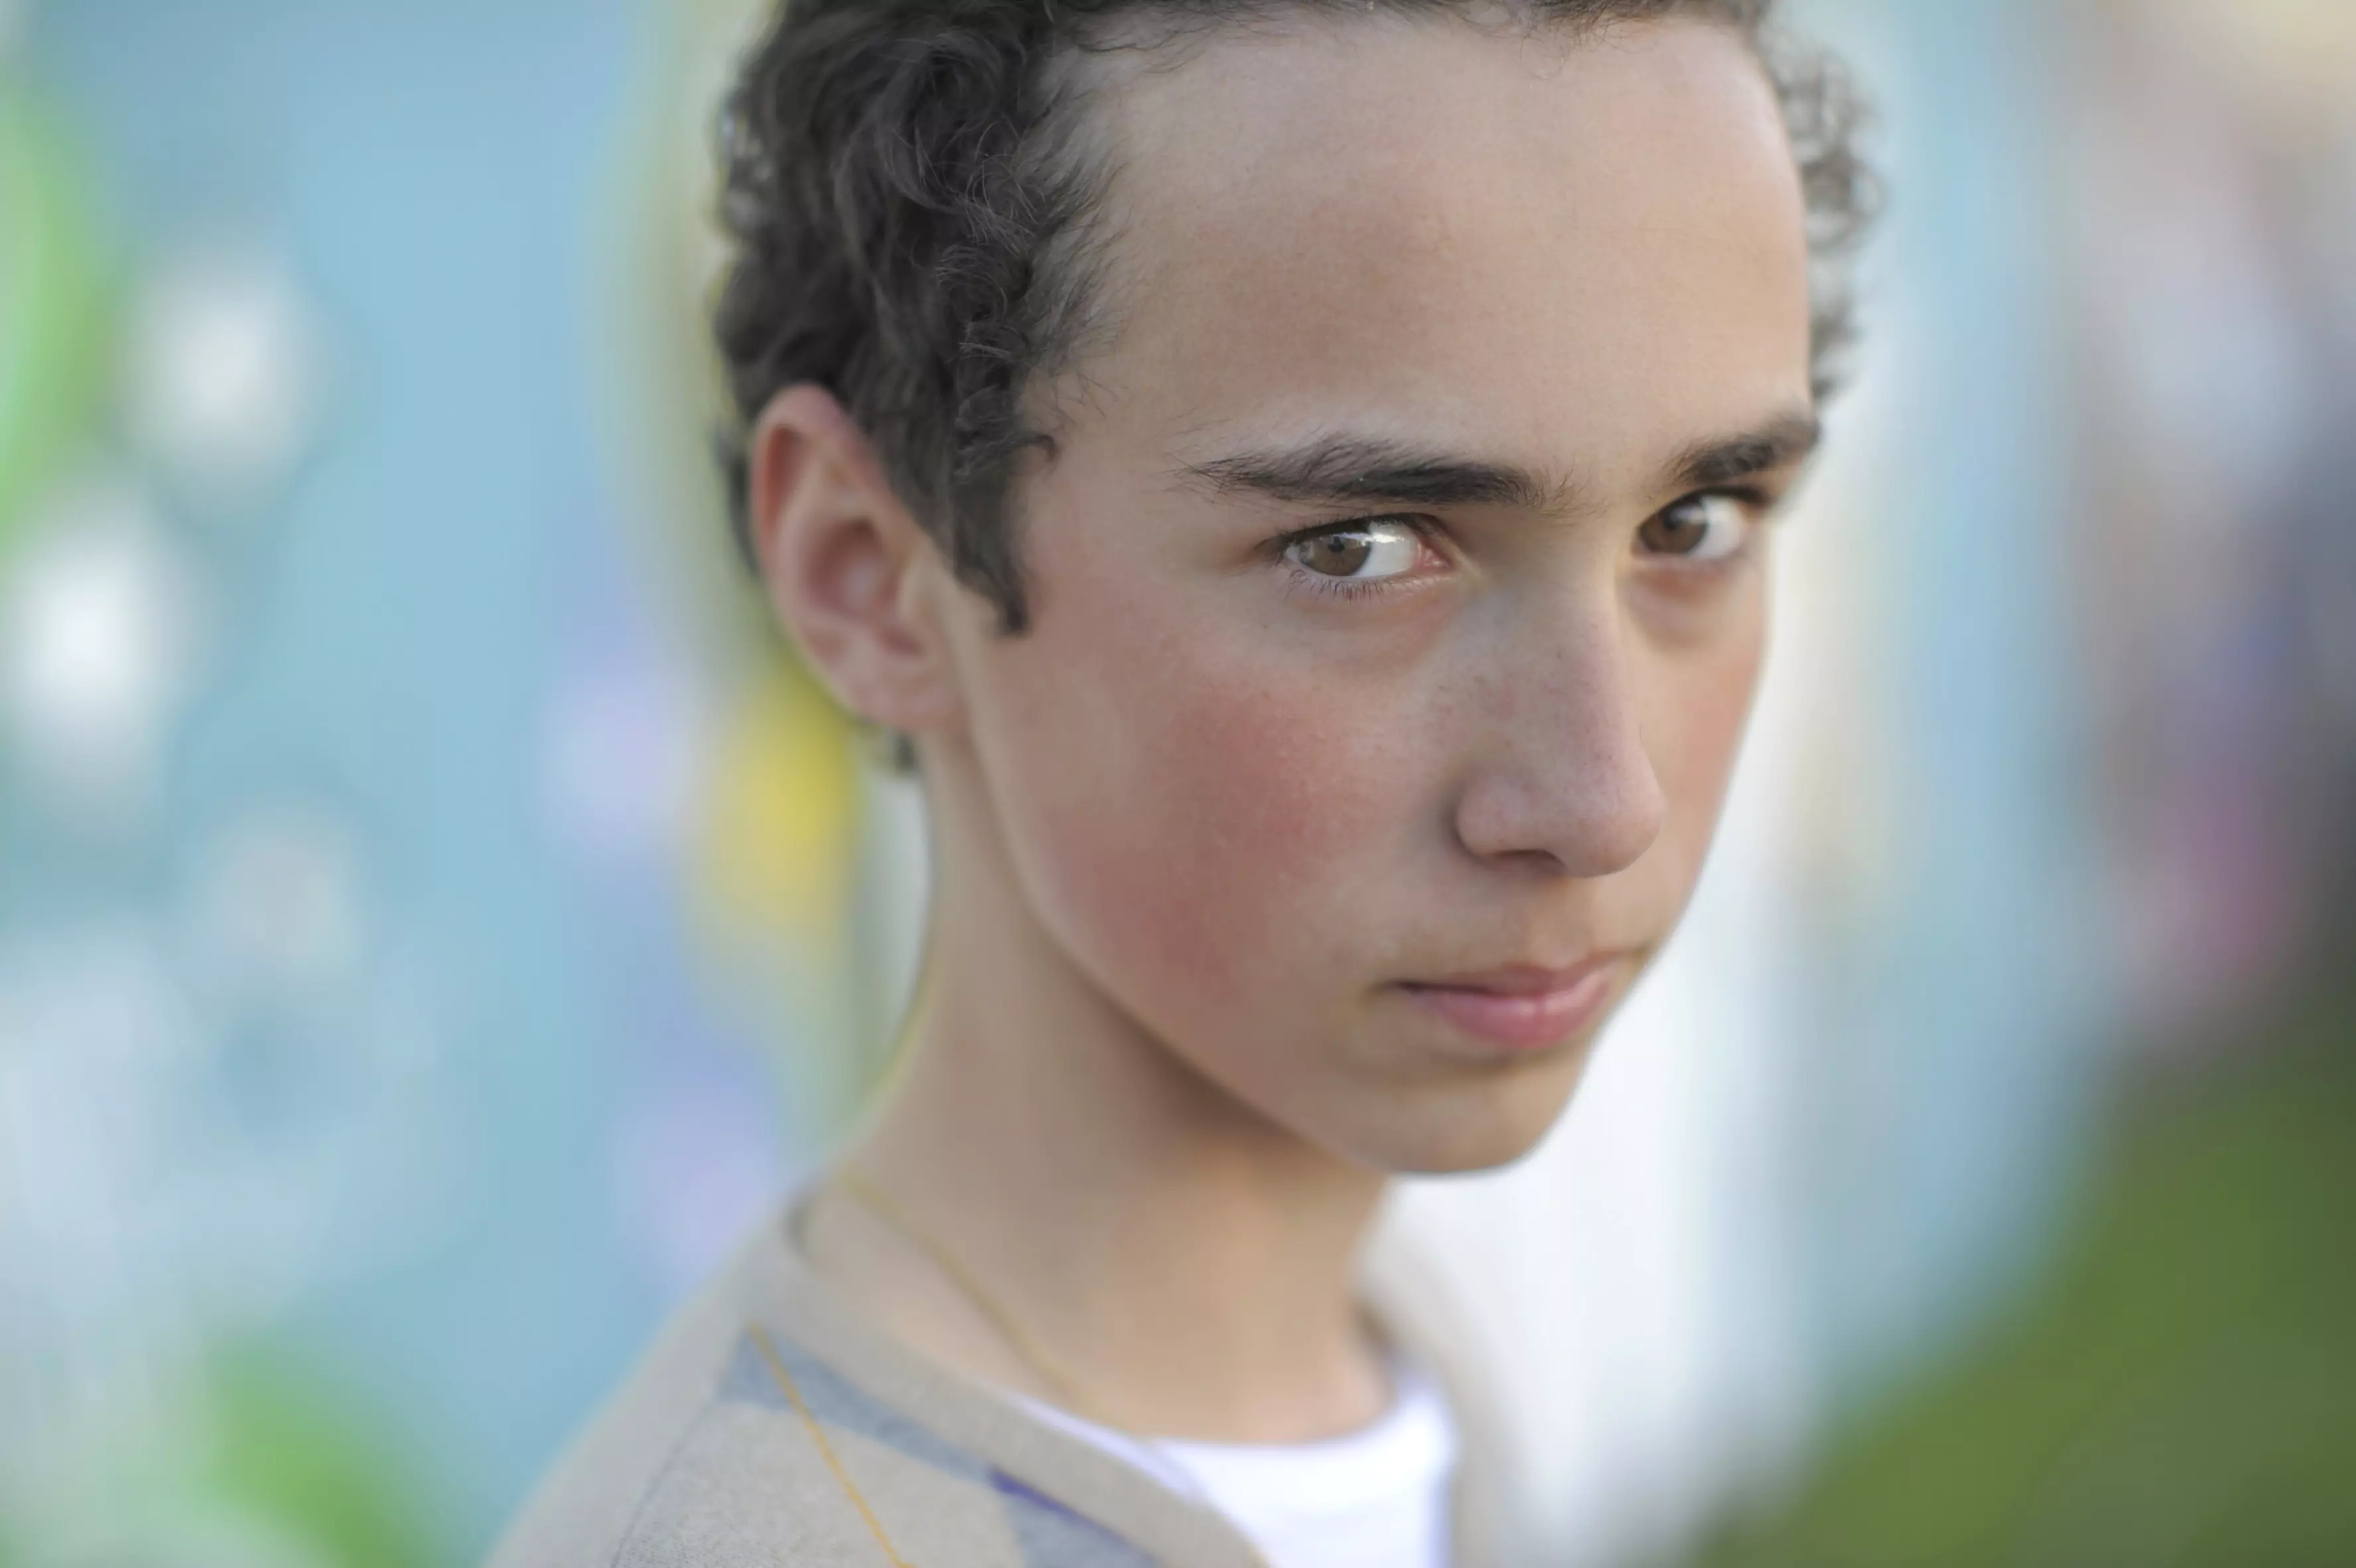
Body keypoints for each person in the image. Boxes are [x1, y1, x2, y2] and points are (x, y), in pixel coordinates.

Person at [490, 2, 1872, 1563]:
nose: (1605, 803)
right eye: (1358, 550)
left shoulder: (1386, 1363)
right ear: (873, 579)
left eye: (1697, 523)